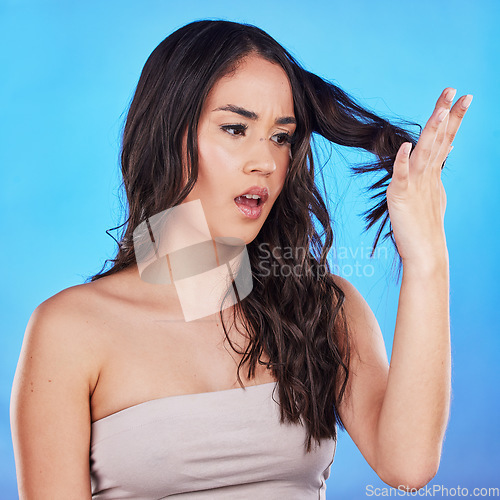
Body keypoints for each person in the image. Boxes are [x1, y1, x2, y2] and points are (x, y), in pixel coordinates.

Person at [10, 19, 472, 499]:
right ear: (169, 135)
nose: (266, 162)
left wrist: (426, 259)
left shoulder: (319, 307)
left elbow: (408, 466)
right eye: (236, 128)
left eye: (280, 137)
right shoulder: (69, 329)